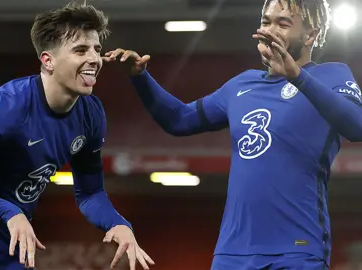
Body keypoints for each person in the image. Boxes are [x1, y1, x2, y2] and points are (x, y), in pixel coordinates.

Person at [104, 0, 361, 269]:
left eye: (283, 24)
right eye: (266, 21)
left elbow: (357, 126)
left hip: (297, 251)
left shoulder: (331, 75)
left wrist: (297, 76)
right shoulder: (241, 85)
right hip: (232, 254)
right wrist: (140, 77)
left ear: (311, 35)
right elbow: (178, 120)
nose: (270, 30)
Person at [0, 2, 154, 270]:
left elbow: (90, 192)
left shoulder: (91, 114)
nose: (94, 58)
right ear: (48, 60)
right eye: (81, 50)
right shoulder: (7, 105)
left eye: (96, 49)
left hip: (14, 253)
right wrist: (9, 212)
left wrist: (117, 223)